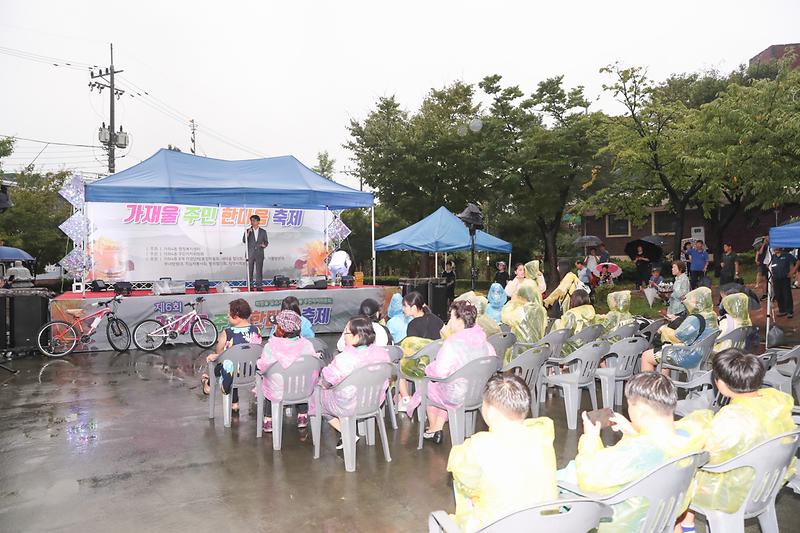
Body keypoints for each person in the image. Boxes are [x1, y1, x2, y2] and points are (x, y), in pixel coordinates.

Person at [560, 372, 707, 533]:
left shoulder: (636, 453)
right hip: (664, 513)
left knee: (562, 479)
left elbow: (589, 476)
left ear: (641, 411)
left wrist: (590, 437)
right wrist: (633, 432)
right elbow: (658, 447)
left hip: (627, 520)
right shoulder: (691, 435)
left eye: (630, 404)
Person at [679, 349, 796, 532]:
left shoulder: (732, 418)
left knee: (679, 475)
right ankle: (688, 523)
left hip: (734, 490)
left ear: (722, 384)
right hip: (766, 483)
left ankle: (685, 526)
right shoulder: (776, 400)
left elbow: (707, 453)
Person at [446, 374, 557, 531]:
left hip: (497, 526)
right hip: (543, 525)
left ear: (490, 411)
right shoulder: (542, 435)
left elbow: (462, 475)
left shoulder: (479, 445)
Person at [406, 301, 497, 444]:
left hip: (457, 394)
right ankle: (436, 429)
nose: (449, 322)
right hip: (479, 392)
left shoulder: (452, 343)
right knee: (445, 385)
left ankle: (434, 429)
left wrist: (429, 368)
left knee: (429, 385)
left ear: (460, 320)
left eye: (452, 318)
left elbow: (440, 372)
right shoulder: (486, 343)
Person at [317, 316, 391, 449]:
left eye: (346, 332)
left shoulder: (344, 358)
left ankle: (346, 432)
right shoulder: (383, 354)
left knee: (316, 400)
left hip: (348, 404)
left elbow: (327, 380)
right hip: (373, 401)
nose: (344, 336)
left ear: (357, 337)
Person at [257, 310, 319, 432]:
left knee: (269, 384)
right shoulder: (307, 344)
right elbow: (314, 364)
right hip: (303, 389)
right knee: (301, 382)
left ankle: (269, 420)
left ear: (280, 329)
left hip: (278, 391)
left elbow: (262, 367)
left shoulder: (270, 346)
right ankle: (302, 415)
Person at [202, 299, 263, 412]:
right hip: (252, 372)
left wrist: (215, 356)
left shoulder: (227, 333)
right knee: (233, 361)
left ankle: (209, 384)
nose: (227, 316)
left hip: (233, 373)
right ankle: (233, 403)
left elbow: (219, 353)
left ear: (237, 314)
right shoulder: (256, 330)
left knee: (224, 363)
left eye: (228, 312)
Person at [641, 287, 719, 373]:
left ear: (696, 302)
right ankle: (663, 383)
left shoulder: (695, 318)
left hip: (689, 356)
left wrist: (664, 329)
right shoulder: (711, 315)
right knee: (663, 356)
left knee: (646, 356)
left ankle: (647, 384)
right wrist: (677, 319)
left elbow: (678, 336)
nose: (684, 302)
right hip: (703, 354)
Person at [396, 291, 445, 412]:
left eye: (405, 306)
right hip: (437, 363)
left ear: (413, 307)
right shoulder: (437, 319)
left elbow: (411, 350)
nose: (403, 309)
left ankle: (406, 399)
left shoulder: (413, 325)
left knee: (397, 366)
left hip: (421, 367)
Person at [500, 284, 547, 360]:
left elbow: (504, 317)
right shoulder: (541, 310)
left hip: (521, 349)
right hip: (537, 347)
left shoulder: (521, 310)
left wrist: (512, 302)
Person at [552, 289, 596, 354]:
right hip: (589, 348)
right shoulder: (591, 311)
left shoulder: (572, 314)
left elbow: (560, 333)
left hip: (572, 351)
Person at [243, 214, 268, 291]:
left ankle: (259, 286)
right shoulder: (247, 230)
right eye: (251, 220)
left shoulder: (263, 231)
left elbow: (266, 242)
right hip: (250, 253)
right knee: (249, 270)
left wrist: (264, 245)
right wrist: (248, 233)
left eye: (253, 220)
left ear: (258, 221)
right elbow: (244, 240)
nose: (252, 222)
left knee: (259, 271)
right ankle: (250, 286)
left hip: (259, 253)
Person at [770, 247, 797, 319]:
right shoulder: (772, 257)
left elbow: (797, 261)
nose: (775, 249)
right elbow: (767, 265)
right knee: (778, 294)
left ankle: (789, 311)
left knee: (787, 294)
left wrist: (793, 271)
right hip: (776, 278)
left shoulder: (787, 255)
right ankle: (782, 310)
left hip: (785, 278)